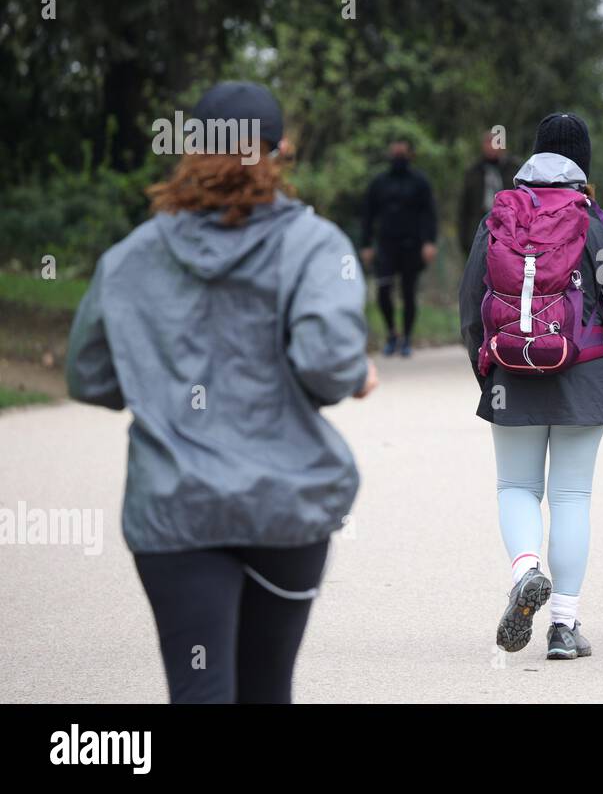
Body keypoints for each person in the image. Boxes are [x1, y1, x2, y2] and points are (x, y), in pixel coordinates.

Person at [66, 81, 376, 704]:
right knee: (267, 689)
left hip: (177, 511)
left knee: (199, 692)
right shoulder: (313, 245)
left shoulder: (132, 256)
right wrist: (356, 373)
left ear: (189, 153)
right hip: (285, 511)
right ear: (280, 150)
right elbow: (328, 364)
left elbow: (90, 376)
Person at [459, 112, 603, 660]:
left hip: (511, 369)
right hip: (581, 370)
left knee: (516, 487)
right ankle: (564, 625)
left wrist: (483, 364)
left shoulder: (498, 219)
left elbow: (471, 302)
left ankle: (525, 571)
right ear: (582, 162)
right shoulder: (594, 220)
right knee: (572, 496)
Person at [360, 137, 438, 357]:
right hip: (386, 245)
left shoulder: (420, 182)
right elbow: (367, 215)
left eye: (402, 153)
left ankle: (407, 337)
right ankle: (391, 334)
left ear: (410, 155)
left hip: (412, 245)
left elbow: (429, 214)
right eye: (395, 153)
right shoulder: (379, 183)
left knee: (408, 292)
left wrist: (429, 242)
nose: (398, 157)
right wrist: (366, 244)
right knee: (383, 290)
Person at [458, 130, 517, 258]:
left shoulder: (515, 170)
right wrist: (464, 240)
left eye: (496, 143)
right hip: (479, 230)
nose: (491, 147)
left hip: (508, 230)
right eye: (488, 142)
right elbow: (464, 208)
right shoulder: (473, 172)